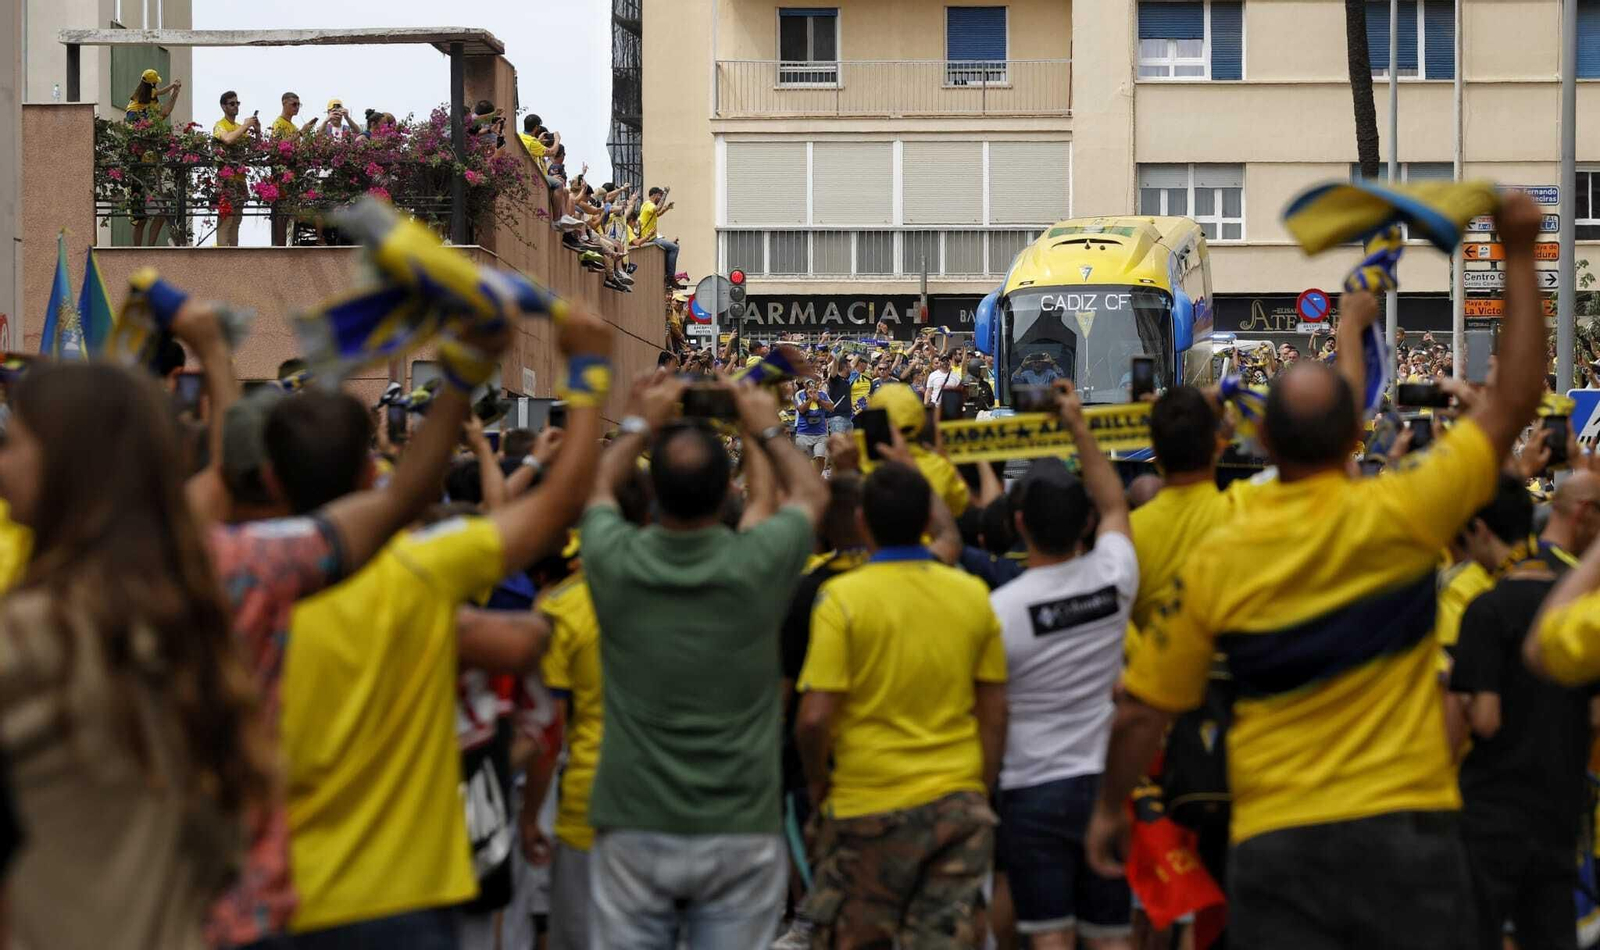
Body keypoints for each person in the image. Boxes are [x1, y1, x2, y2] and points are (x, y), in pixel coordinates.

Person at [1085, 195, 1548, 949]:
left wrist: (1108, 810)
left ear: (1261, 437)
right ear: (1352, 440)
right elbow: (1516, 401)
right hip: (1412, 834)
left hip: (1279, 845)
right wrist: (1520, 252)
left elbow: (1141, 711)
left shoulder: (1221, 548)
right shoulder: (1405, 512)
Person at [276, 312, 612, 946]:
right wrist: (588, 375)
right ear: (365, 476)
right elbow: (554, 509)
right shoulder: (418, 572)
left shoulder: (224, 578)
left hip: (276, 896)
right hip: (408, 896)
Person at [0, 363, 272, 950]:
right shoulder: (185, 615)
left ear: (67, 460)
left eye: (11, 442)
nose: (0, 463)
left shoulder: (34, 634)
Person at [579, 373, 828, 948]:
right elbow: (812, 495)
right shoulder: (758, 564)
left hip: (633, 820)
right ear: (726, 496)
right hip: (739, 825)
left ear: (653, 495)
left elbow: (593, 487)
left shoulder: (614, 560)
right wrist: (763, 425)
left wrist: (639, 423)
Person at [795, 459, 1007, 947]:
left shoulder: (841, 599)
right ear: (926, 522)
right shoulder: (971, 594)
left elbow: (814, 717)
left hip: (867, 804)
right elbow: (995, 710)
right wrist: (980, 784)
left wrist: (816, 782)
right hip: (957, 801)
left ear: (863, 523)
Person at [990, 384, 1136, 950]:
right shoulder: (1114, 577)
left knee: (1048, 935)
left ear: (1019, 523)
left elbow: (995, 714)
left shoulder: (1002, 612)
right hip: (1104, 785)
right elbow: (1116, 505)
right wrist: (1077, 422)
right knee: (1109, 932)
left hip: (1033, 790)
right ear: (1084, 526)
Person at [1448, 474, 1591, 950]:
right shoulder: (1570, 608)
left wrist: (1459, 692)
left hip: (1493, 813)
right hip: (1558, 809)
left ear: (1480, 532)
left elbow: (1485, 719)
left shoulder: (1486, 611)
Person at [124, 69, 183, 247]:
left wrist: (175, 93)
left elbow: (164, 113)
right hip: (138, 170)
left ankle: (150, 248)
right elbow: (136, 129)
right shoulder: (134, 110)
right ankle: (138, 251)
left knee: (161, 212)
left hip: (152, 170)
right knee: (140, 218)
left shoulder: (151, 99)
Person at [213, 91, 259, 247]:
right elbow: (228, 139)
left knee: (237, 220)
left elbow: (256, 149)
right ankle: (222, 257)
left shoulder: (239, 127)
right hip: (226, 181)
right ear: (223, 106)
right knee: (226, 219)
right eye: (232, 103)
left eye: (237, 103)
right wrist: (246, 126)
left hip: (240, 180)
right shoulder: (220, 125)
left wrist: (257, 131)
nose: (235, 106)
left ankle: (234, 255)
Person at [638, 187, 682, 289]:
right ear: (654, 195)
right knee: (675, 248)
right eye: (660, 196)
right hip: (650, 238)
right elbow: (657, 209)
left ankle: (668, 274)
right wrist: (666, 193)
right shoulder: (649, 205)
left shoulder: (646, 206)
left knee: (670, 247)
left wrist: (666, 208)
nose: (660, 198)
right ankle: (670, 276)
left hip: (651, 237)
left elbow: (656, 214)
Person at [793, 378, 832, 471]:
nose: (811, 386)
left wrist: (818, 399)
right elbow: (801, 409)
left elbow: (831, 407)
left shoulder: (823, 394)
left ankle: (817, 479)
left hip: (820, 433)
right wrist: (811, 398)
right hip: (803, 433)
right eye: (808, 384)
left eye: (813, 384)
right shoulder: (799, 394)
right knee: (803, 461)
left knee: (820, 457)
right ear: (804, 385)